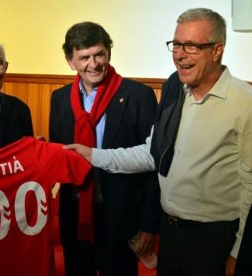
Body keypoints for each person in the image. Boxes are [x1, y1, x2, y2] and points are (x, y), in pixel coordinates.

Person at [65, 8, 252, 276]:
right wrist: (93, 155)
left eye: (191, 46)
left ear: (217, 50)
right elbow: (152, 154)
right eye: (176, 44)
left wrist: (239, 252)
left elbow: (251, 189)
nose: (179, 54)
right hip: (171, 234)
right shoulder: (175, 87)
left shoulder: (245, 102)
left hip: (215, 237)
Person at [49, 22, 160, 276]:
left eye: (99, 54)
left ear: (109, 53)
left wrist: (148, 224)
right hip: (75, 215)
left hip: (122, 218)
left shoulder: (138, 96)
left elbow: (153, 165)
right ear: (70, 61)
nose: (94, 63)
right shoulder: (59, 99)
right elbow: (61, 156)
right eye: (84, 57)